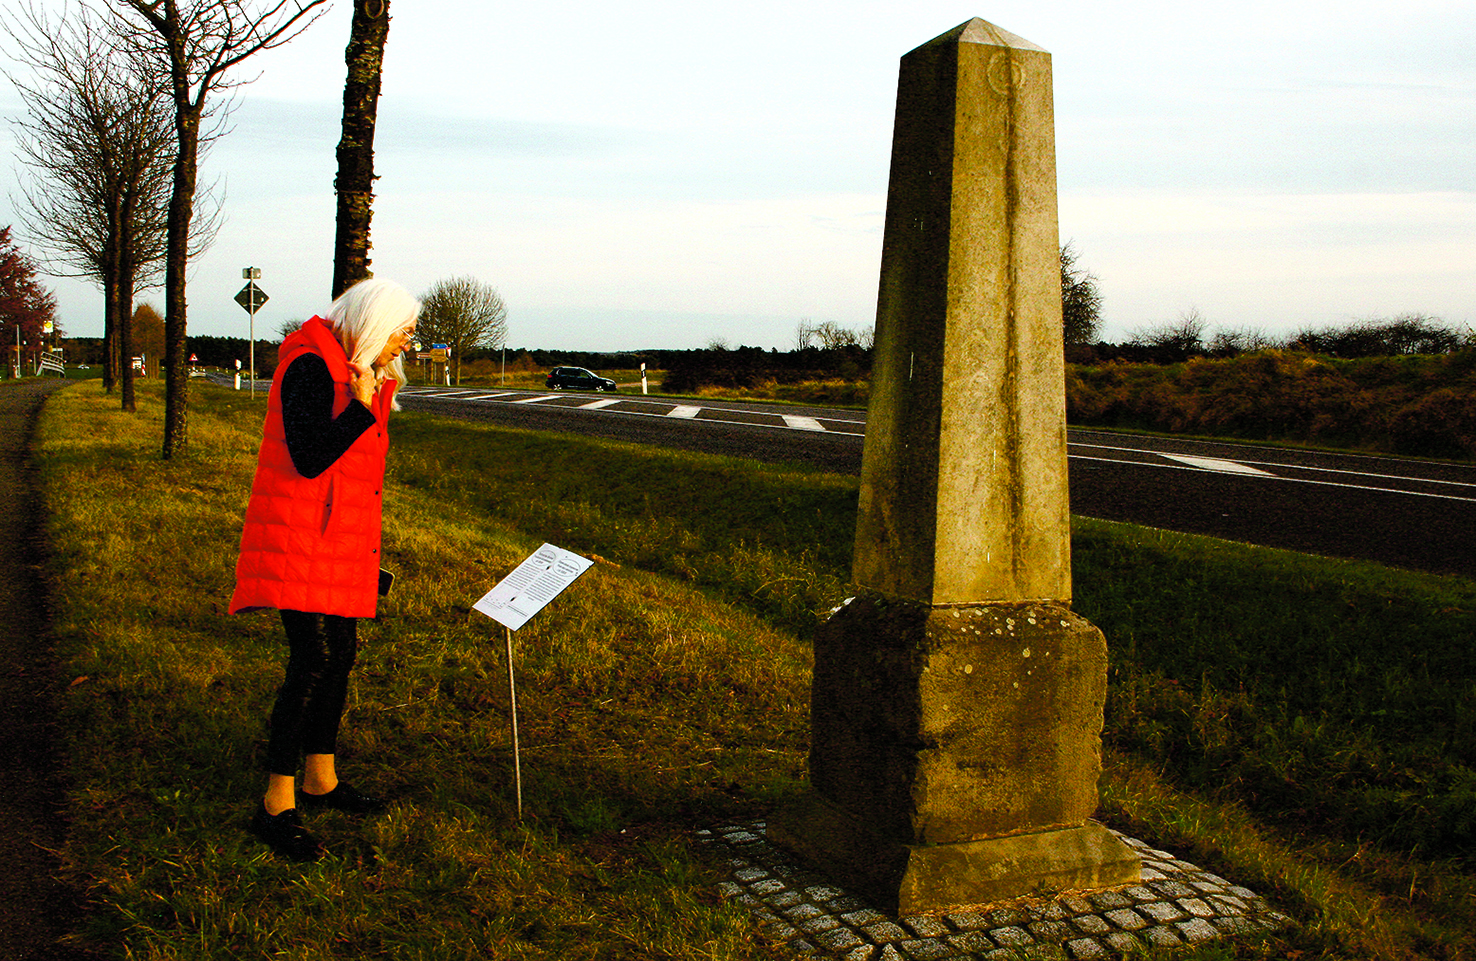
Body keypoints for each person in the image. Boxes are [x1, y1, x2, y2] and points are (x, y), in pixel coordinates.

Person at [230, 278, 420, 862]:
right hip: (301, 539)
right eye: (401, 330)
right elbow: (310, 457)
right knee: (310, 662)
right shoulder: (310, 364)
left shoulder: (359, 373)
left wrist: (368, 396)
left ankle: (321, 779)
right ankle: (275, 802)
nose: (406, 343)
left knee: (341, 657)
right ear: (372, 320)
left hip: (339, 541)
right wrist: (361, 408)